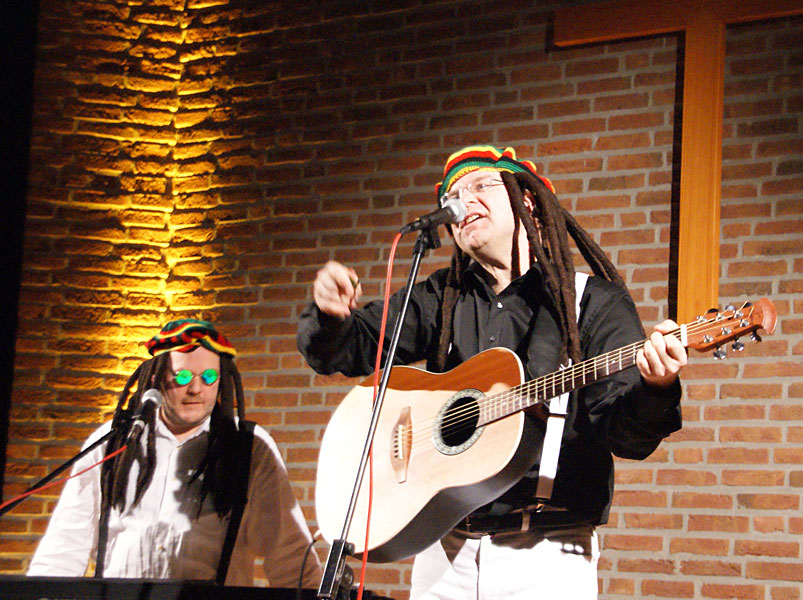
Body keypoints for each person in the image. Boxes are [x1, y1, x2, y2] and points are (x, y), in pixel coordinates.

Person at [297, 146, 686, 599]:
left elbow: (628, 438)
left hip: (547, 554)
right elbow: (350, 348)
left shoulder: (592, 303)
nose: (463, 201)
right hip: (444, 551)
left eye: (481, 185)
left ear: (530, 204)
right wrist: (330, 316)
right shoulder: (443, 298)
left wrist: (657, 386)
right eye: (453, 195)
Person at [28, 318, 322, 588]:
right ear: (155, 378)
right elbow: (63, 548)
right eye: (182, 377)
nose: (196, 388)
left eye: (209, 377)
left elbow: (291, 557)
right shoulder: (113, 442)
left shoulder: (248, 448)